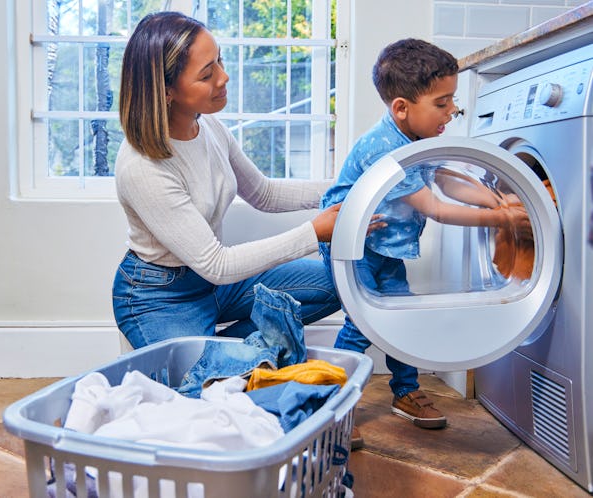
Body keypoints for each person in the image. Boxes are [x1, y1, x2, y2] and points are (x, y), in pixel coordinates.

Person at [111, 12, 381, 349]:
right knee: (201, 391)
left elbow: (264, 193)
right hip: (160, 295)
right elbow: (216, 263)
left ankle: (227, 354)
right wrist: (314, 233)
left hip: (215, 284)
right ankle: (220, 358)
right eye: (207, 74)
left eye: (219, 61)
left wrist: (353, 187)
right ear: (167, 91)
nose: (224, 77)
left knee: (341, 284)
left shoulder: (208, 127)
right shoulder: (142, 166)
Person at [318, 38, 530, 438]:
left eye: (452, 100)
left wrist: (494, 197)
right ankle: (331, 406)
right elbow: (433, 207)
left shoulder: (418, 140)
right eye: (442, 103)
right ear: (402, 108)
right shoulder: (384, 147)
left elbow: (446, 179)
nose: (452, 110)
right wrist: (499, 218)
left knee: (402, 313)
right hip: (350, 246)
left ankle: (405, 392)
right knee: (363, 322)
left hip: (383, 244)